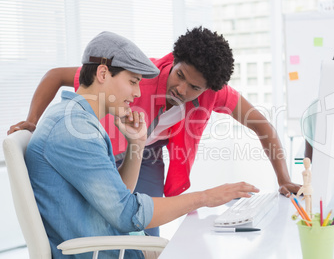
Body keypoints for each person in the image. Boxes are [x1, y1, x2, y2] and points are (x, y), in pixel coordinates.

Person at [10, 27, 300, 236]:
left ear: (209, 89)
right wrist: (33, 120)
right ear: (174, 61)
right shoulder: (138, 77)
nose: (181, 89)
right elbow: (56, 75)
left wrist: (284, 179)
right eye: (180, 75)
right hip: (109, 145)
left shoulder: (215, 94)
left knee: (145, 230)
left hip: (146, 150)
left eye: (194, 88)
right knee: (123, 217)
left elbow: (261, 125)